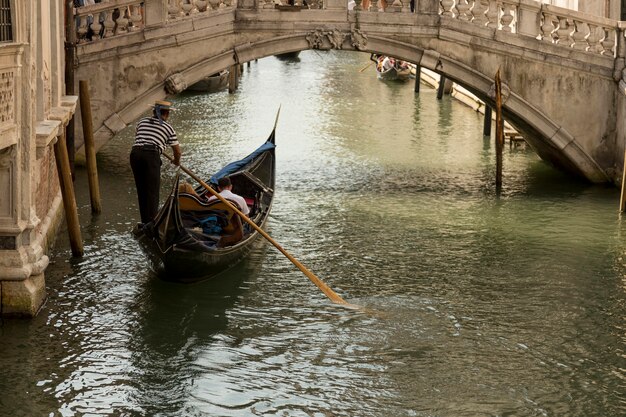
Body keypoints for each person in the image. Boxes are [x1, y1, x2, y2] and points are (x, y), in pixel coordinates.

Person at [130, 99, 181, 224]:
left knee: (142, 190)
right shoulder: (169, 129)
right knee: (152, 191)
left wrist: (157, 145)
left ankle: (145, 222)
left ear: (153, 111)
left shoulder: (141, 122)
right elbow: (177, 151)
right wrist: (176, 161)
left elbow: (140, 136)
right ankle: (152, 223)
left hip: (135, 154)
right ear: (167, 114)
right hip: (151, 156)